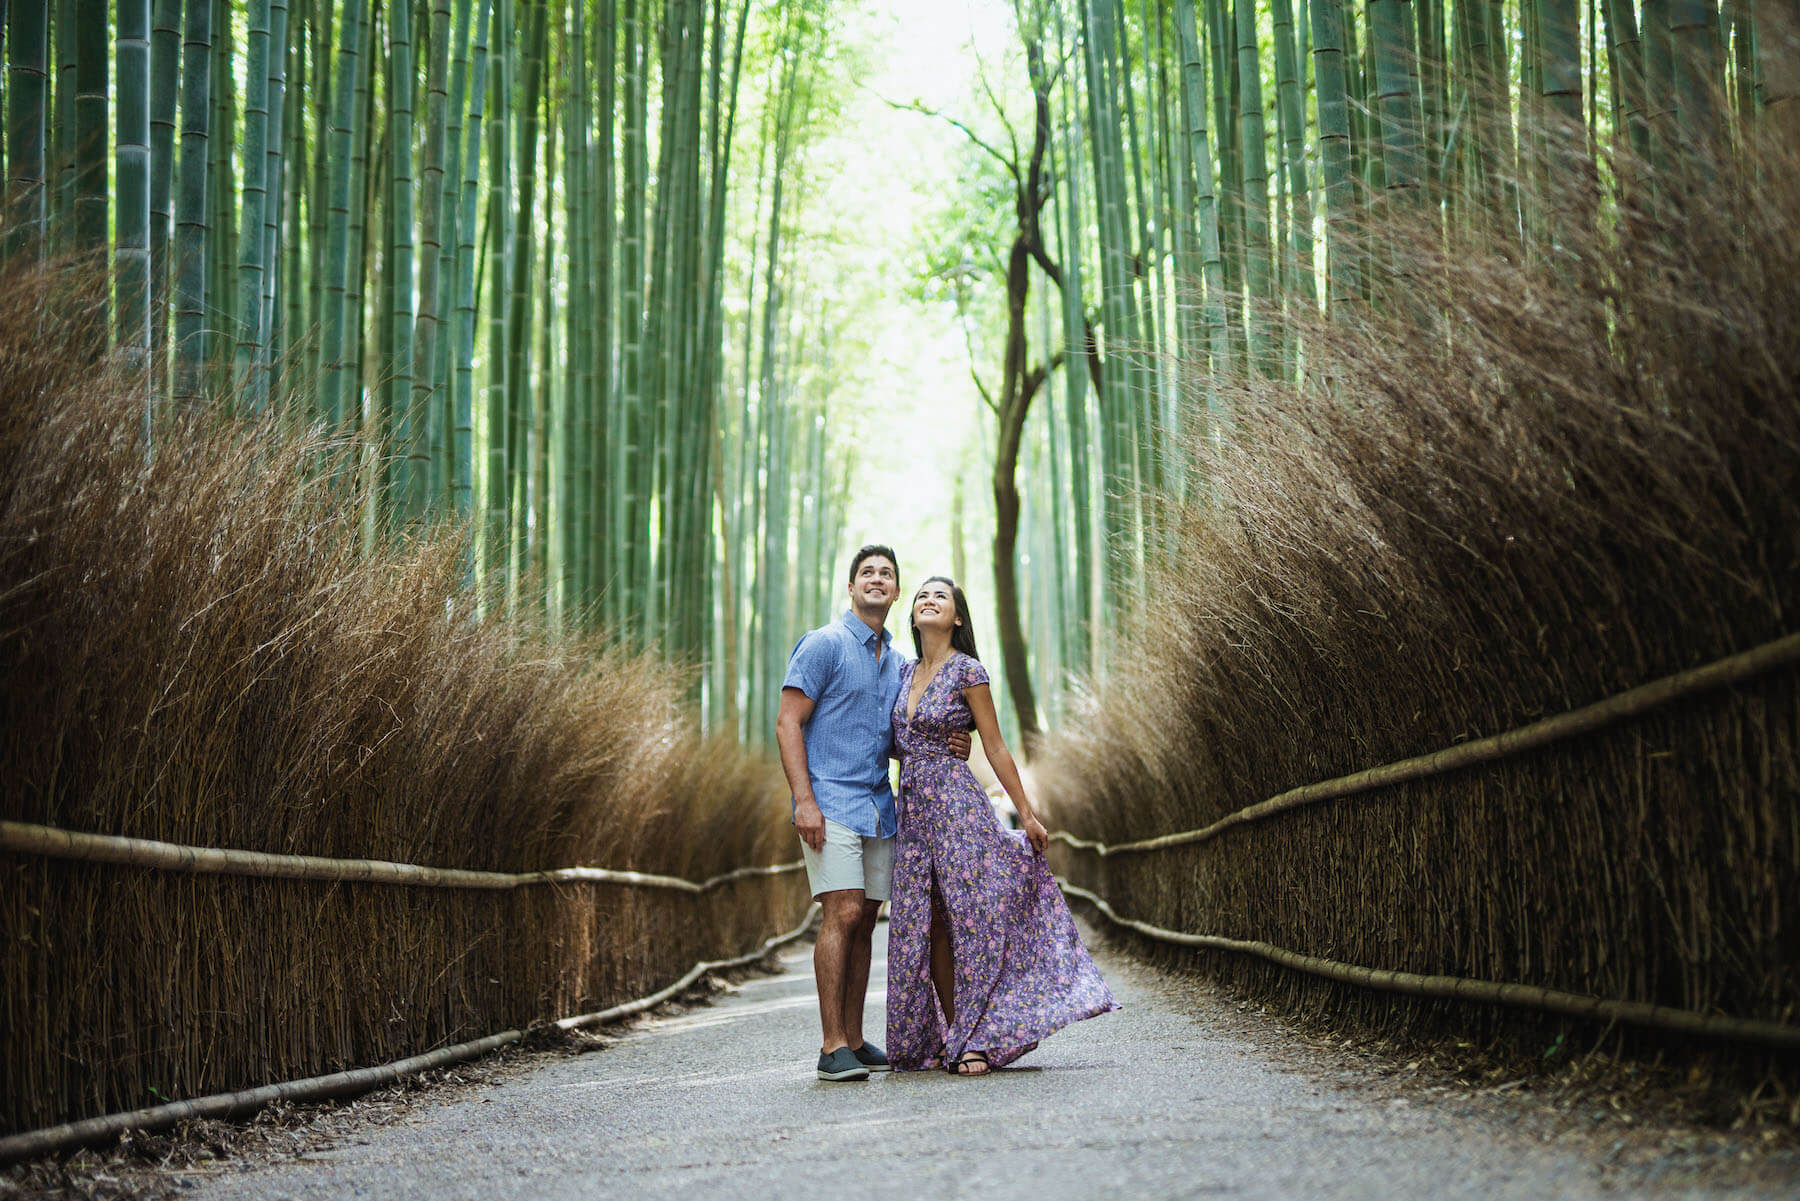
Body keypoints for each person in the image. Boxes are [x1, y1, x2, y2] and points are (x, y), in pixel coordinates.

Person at [886, 575, 1119, 1075]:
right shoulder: (902, 673)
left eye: (940, 596)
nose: (928, 600)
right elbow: (890, 740)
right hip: (912, 817)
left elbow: (993, 745)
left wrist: (1028, 813)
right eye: (922, 595)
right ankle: (953, 1037)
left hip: (957, 810)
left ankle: (974, 1039)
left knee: (970, 923)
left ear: (958, 618)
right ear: (913, 614)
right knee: (932, 929)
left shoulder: (968, 670)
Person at [775, 545, 970, 1082]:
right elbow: (788, 722)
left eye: (887, 574)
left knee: (865, 922)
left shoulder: (902, 665)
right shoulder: (825, 645)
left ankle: (856, 1040)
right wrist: (804, 801)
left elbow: (915, 727)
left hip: (879, 807)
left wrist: (957, 739)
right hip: (829, 802)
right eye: (868, 573)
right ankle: (830, 1045)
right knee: (841, 911)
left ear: (897, 592)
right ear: (852, 587)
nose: (877, 580)